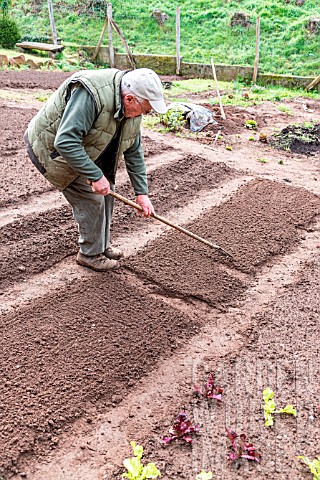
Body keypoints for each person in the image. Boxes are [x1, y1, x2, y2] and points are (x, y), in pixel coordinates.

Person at [24, 68, 167, 272]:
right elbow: (65, 142)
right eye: (146, 109)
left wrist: (141, 193)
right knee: (91, 196)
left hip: (84, 145)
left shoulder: (133, 109)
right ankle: (89, 254)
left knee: (108, 189)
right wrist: (94, 175)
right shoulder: (91, 94)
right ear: (129, 99)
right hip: (52, 148)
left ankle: (102, 245)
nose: (146, 114)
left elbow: (134, 152)